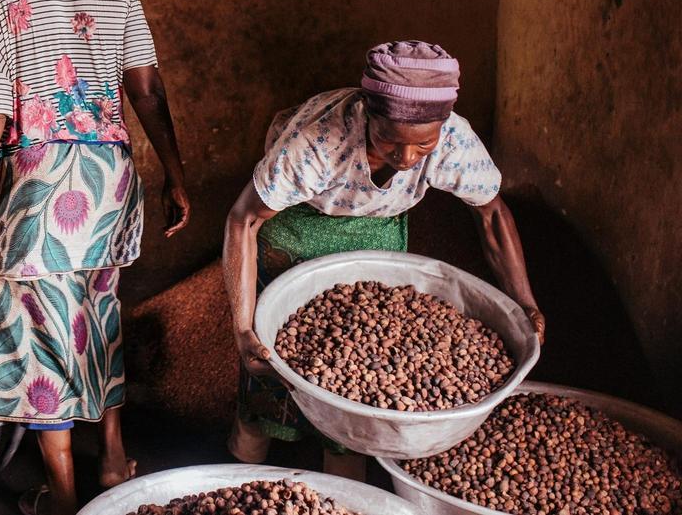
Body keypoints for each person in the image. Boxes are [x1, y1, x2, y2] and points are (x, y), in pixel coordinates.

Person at [0, 0, 190, 515]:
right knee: (96, 311)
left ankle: (62, 497)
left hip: (40, 179)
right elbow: (146, 88)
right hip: (111, 177)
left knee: (38, 330)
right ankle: (112, 457)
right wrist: (173, 171)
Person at [223, 41, 546, 473]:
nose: (407, 158)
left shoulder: (452, 139)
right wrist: (243, 329)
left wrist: (525, 303)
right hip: (298, 227)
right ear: (367, 114)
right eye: (389, 141)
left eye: (422, 146)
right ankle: (246, 458)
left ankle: (343, 471)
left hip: (376, 232)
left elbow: (492, 216)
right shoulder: (317, 144)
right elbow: (243, 221)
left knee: (352, 389)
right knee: (271, 362)